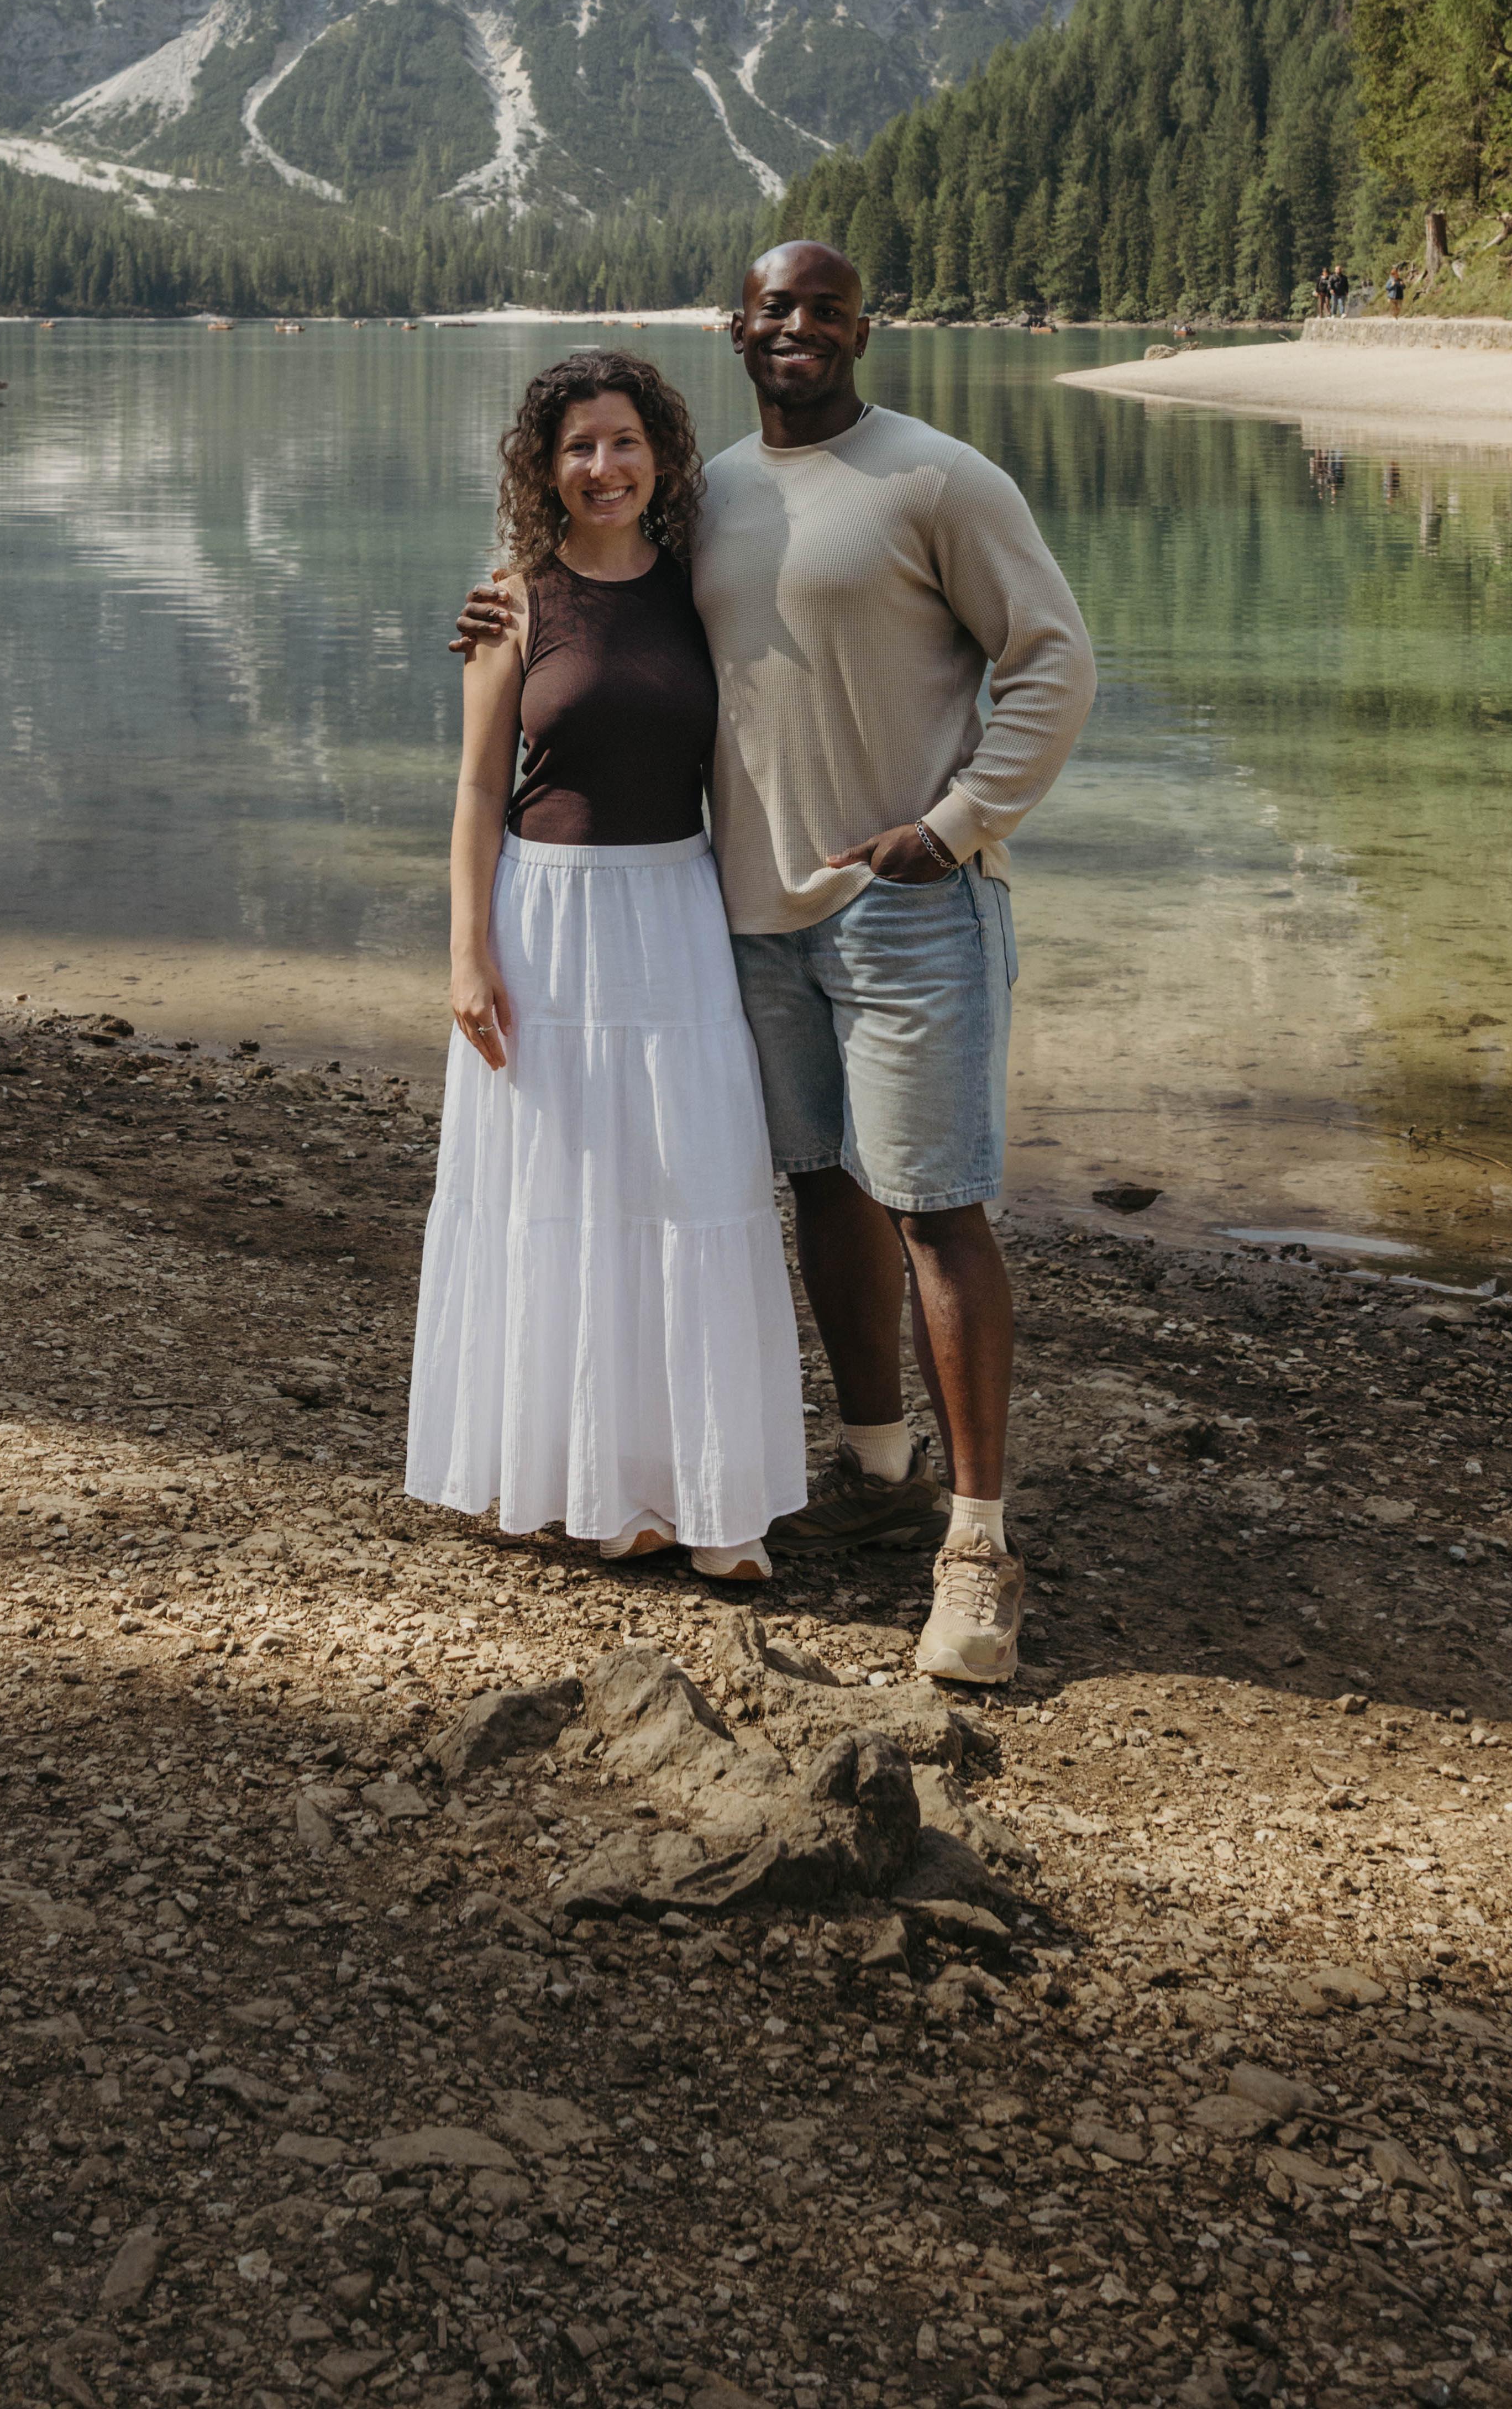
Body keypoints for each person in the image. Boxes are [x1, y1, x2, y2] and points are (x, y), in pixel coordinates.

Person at [458, 245, 1095, 1685]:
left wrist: (957, 823)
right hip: (744, 915)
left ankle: (977, 1547)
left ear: (861, 326)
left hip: (910, 903)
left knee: (936, 1206)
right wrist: (499, 623)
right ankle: (876, 1468)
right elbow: (607, 608)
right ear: (734, 332)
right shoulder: (714, 496)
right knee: (821, 1182)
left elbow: (1053, 661)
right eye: (771, 309)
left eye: (822, 306)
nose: (795, 327)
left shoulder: (935, 479)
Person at [407, 350, 805, 1582]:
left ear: (659, 454)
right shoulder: (512, 604)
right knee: (567, 1195)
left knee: (691, 1184)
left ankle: (712, 1498)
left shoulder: (702, 591)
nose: (602, 466)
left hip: (674, 911)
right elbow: (479, 790)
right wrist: (467, 953)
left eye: (622, 440)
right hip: (549, 919)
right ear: (546, 466)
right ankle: (603, 1488)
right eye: (577, 446)